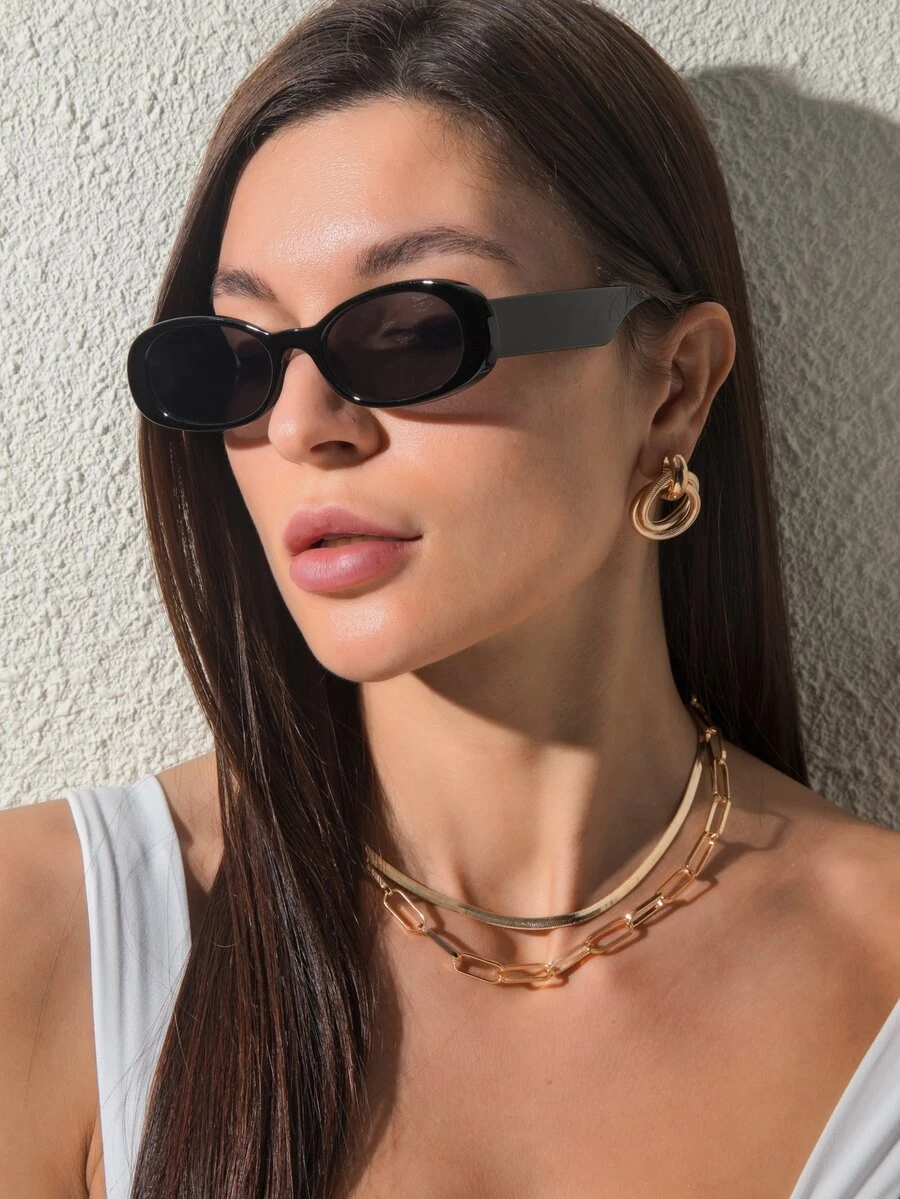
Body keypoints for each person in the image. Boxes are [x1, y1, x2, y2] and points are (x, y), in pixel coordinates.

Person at [2, 0, 898, 1195]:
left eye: (411, 332)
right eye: (240, 355)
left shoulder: (879, 969)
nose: (302, 426)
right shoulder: (48, 933)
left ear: (674, 388)